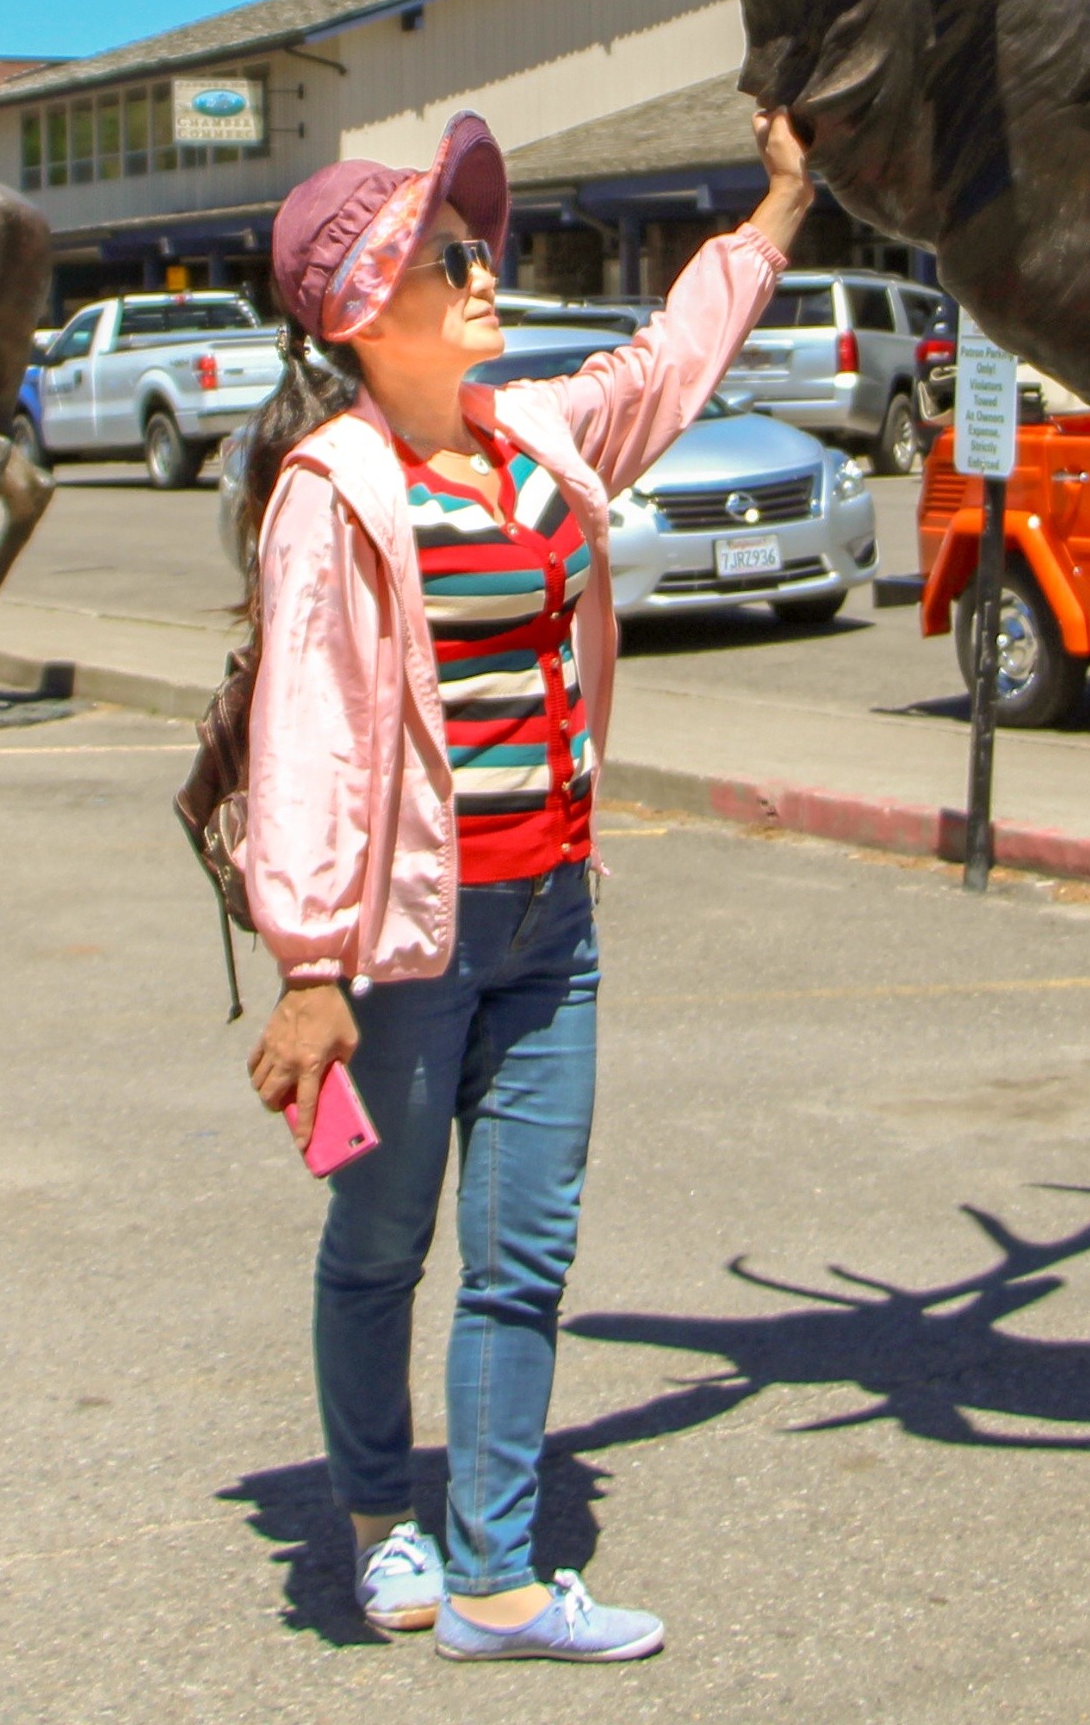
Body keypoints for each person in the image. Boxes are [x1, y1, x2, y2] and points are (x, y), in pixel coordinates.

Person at [235, 102, 815, 1662]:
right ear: (366, 310)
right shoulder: (334, 491)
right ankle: (376, 1522)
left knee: (525, 1254)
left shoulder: (537, 437)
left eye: (480, 250)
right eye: (447, 257)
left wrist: (778, 209)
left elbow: (666, 368)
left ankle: (493, 1574)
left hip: (552, 919)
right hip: (407, 942)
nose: (485, 272)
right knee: (380, 1245)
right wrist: (307, 961)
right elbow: (306, 735)